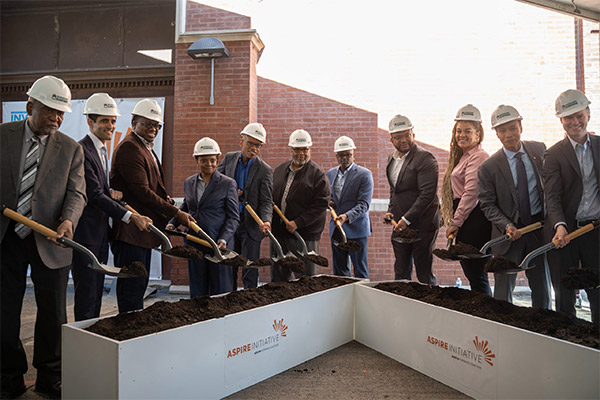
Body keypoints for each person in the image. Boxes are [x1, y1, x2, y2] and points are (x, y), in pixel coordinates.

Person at [0, 75, 86, 399]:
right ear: (29, 106)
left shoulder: (71, 149)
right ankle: (9, 376)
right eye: (50, 110)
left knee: (53, 313)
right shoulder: (3, 136)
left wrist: (68, 222)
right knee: (4, 310)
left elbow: (78, 194)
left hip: (50, 239)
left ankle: (51, 378)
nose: (57, 118)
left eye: (61, 113)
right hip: (6, 238)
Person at [72, 93, 152, 321]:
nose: (111, 126)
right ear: (91, 122)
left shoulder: (102, 150)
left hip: (100, 235)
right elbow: (94, 195)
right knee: (87, 297)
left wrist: (111, 193)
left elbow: (100, 190)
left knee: (96, 294)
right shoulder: (83, 150)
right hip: (86, 236)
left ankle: (93, 343)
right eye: (105, 121)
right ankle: (84, 347)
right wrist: (130, 216)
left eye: (113, 121)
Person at [110, 99, 194, 313]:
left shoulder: (144, 147)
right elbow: (143, 192)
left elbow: (156, 190)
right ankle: (127, 333)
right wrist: (176, 212)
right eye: (147, 123)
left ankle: (133, 331)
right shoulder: (130, 148)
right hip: (131, 234)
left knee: (138, 287)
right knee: (132, 290)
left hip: (141, 233)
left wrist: (173, 211)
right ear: (134, 122)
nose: (153, 129)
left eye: (157, 125)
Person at [478, 105, 551, 308]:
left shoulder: (539, 149)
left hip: (537, 229)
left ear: (520, 126)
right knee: (502, 293)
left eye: (512, 128)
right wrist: (507, 225)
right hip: (509, 234)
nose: (508, 134)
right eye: (502, 130)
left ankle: (543, 331)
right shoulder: (488, 167)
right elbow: (487, 204)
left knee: (542, 287)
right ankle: (504, 330)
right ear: (497, 134)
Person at [543, 89, 599, 324]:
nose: (575, 122)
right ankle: (567, 346)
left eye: (579, 115)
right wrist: (559, 225)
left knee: (598, 292)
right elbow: (552, 196)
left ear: (588, 113)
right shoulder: (554, 154)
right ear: (561, 120)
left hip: (595, 231)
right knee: (564, 296)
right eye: (568, 118)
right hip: (565, 233)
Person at [168, 138, 239, 297]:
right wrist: (173, 222)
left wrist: (224, 239)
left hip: (218, 245)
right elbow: (186, 206)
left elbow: (233, 217)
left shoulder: (227, 184)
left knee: (220, 292)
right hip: (194, 243)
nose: (209, 164)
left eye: (212, 160)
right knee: (198, 290)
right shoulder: (189, 182)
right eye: (204, 160)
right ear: (196, 160)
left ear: (218, 160)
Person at [441, 104, 492, 295]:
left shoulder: (478, 157)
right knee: (474, 276)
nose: (461, 135)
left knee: (477, 276)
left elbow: (471, 193)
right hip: (467, 220)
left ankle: (485, 318)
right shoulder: (464, 157)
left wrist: (456, 222)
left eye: (468, 131)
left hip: (474, 222)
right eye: (459, 131)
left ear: (478, 134)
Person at [383, 116, 439, 284]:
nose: (404, 140)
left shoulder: (425, 158)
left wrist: (406, 219)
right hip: (400, 226)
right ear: (391, 139)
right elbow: (395, 189)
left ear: (413, 134)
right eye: (399, 137)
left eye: (407, 135)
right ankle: (402, 307)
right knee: (400, 272)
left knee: (424, 273)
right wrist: (391, 211)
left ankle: (429, 309)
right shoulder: (391, 159)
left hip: (422, 225)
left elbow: (427, 194)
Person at [217, 123, 273, 290]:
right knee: (229, 266)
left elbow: (267, 201)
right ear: (241, 141)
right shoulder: (229, 159)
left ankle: (250, 306)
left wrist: (266, 221)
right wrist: (231, 192)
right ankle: (230, 302)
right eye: (250, 143)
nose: (253, 148)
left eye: (257, 145)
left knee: (249, 269)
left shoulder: (264, 170)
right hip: (230, 223)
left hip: (251, 227)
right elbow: (216, 182)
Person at [271, 129, 331, 282]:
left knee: (306, 280)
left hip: (304, 237)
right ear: (291, 149)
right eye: (297, 149)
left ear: (310, 149)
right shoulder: (279, 170)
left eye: (305, 149)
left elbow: (319, 206)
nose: (301, 153)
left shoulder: (317, 175)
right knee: (279, 279)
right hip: (280, 234)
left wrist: (298, 223)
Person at [327, 136, 373, 279]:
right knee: (340, 272)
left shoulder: (364, 174)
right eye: (341, 155)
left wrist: (346, 217)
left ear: (354, 154)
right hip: (337, 230)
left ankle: (362, 300)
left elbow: (364, 204)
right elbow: (330, 198)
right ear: (336, 155)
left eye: (348, 154)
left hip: (357, 229)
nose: (345, 158)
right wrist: (329, 202)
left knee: (360, 271)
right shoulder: (330, 174)